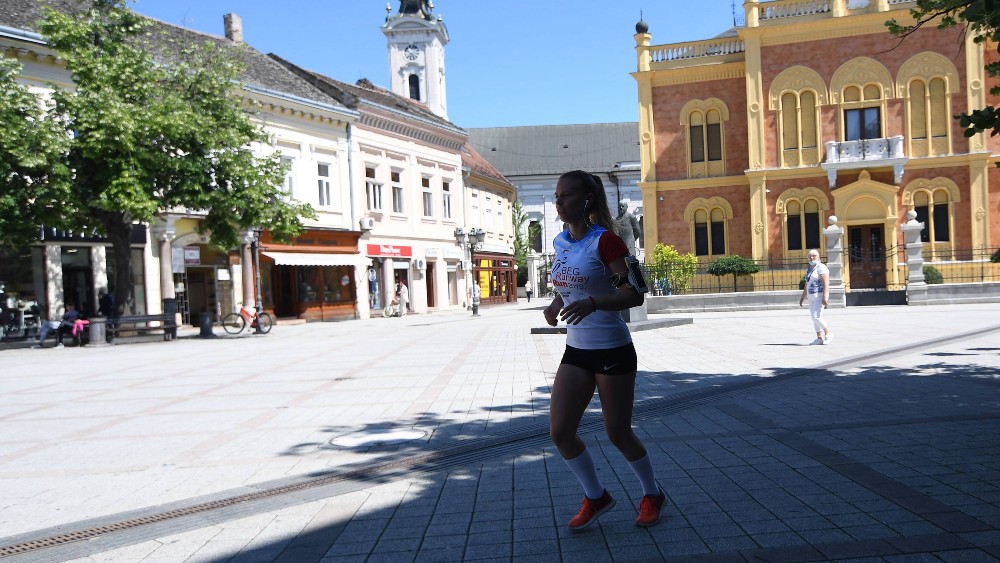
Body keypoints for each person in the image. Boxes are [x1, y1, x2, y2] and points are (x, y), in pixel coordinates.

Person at [543, 170, 665, 532]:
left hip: (613, 348)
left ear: (587, 200)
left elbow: (636, 293)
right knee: (561, 431)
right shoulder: (560, 242)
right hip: (577, 350)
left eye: (566, 195)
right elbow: (571, 285)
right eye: (556, 195)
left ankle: (652, 493)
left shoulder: (607, 241)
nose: (558, 201)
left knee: (618, 433)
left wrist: (595, 304)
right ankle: (596, 496)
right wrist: (556, 303)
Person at [799, 248, 833, 345]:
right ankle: (819, 338)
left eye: (814, 255)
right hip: (811, 297)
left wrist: (825, 297)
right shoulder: (809, 269)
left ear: (818, 257)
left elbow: (826, 283)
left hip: (819, 295)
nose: (811, 257)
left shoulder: (821, 267)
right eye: (809, 256)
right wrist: (802, 297)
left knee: (816, 317)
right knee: (813, 318)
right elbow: (807, 284)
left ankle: (828, 333)